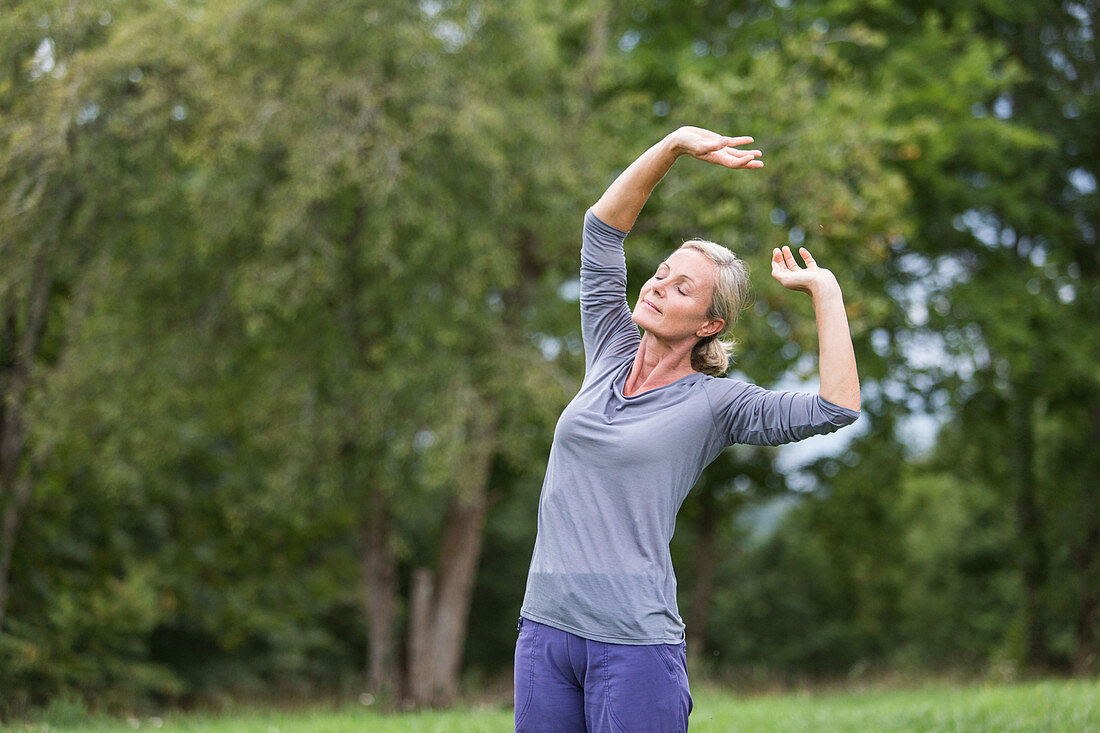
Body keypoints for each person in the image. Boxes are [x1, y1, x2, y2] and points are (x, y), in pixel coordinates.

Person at [514, 126, 861, 733]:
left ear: (709, 324)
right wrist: (672, 146)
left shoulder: (716, 404)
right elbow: (602, 229)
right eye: (661, 272)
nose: (655, 286)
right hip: (545, 633)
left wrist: (825, 293)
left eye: (682, 288)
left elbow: (837, 406)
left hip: (633, 647)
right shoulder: (609, 349)